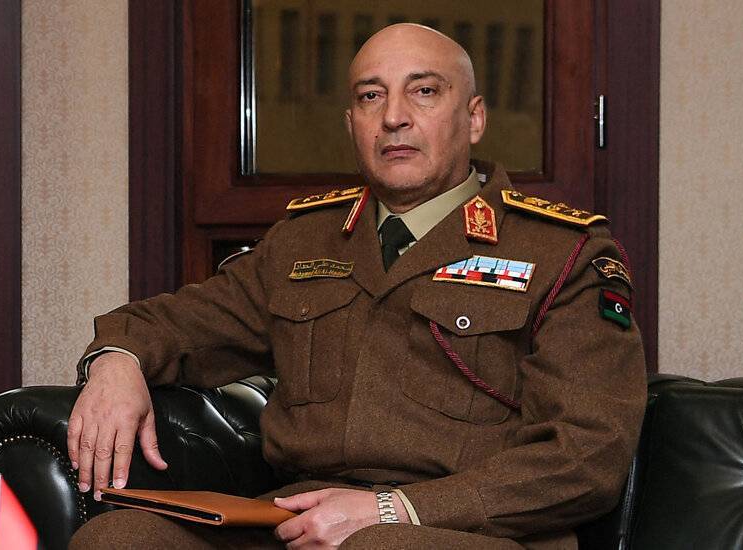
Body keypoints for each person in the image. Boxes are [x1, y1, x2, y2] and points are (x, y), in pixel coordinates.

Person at [67, 23, 646, 549]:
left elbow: (588, 454)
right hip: (299, 519)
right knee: (118, 539)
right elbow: (177, 322)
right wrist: (116, 359)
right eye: (371, 96)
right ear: (351, 124)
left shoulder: (562, 252)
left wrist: (395, 511)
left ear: (474, 118)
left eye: (424, 91)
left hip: (463, 528)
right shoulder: (304, 241)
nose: (394, 117)